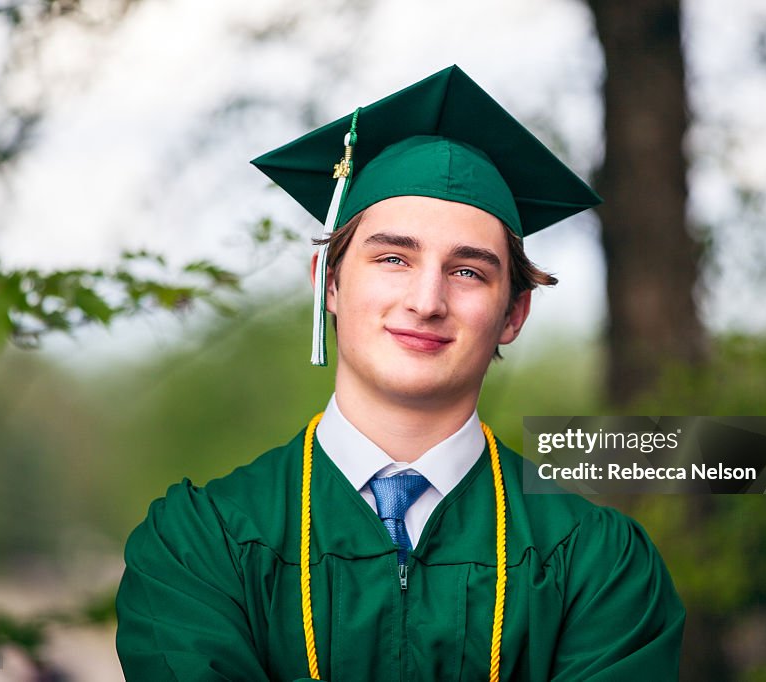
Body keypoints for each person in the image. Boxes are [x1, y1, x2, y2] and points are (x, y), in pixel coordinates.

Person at [115, 65, 685, 681]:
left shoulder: (597, 564)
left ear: (514, 312)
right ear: (328, 283)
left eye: (469, 271)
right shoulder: (203, 544)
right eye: (393, 257)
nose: (426, 300)